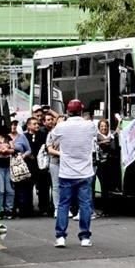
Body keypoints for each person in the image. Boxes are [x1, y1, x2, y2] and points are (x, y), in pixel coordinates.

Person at [50, 99, 98, 248]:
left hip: (66, 172)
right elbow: (98, 137)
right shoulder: (89, 125)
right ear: (82, 111)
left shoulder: (61, 127)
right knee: (85, 205)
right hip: (85, 172)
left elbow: (52, 141)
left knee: (63, 205)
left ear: (68, 111)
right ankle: (84, 237)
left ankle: (61, 237)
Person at [14, 117, 50, 216]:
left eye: (37, 124)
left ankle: (44, 208)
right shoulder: (23, 136)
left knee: (43, 187)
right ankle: (27, 209)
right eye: (34, 124)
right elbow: (18, 147)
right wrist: (26, 153)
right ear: (29, 125)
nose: (37, 125)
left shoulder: (43, 135)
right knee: (27, 187)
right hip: (28, 165)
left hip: (41, 166)